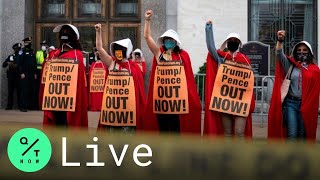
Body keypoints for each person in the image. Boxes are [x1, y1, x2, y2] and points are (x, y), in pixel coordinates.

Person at [143, 10, 201, 135]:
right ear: (163, 41)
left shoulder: (183, 56)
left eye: (171, 39)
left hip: (176, 103)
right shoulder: (159, 54)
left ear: (176, 42)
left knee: (175, 131)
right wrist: (147, 20)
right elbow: (147, 37)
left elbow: (188, 80)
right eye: (166, 39)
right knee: (163, 132)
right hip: (161, 101)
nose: (169, 41)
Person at [204, 20, 255, 138]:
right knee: (227, 133)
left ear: (239, 44)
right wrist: (208, 29)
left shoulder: (246, 60)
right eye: (230, 41)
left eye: (235, 41)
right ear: (227, 43)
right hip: (225, 99)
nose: (233, 42)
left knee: (239, 132)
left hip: (241, 101)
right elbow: (211, 47)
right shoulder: (222, 58)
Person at [268, 30, 320, 142]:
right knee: (292, 133)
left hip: (306, 105)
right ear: (295, 52)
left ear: (310, 52)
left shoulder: (315, 69)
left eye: (305, 50)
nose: (302, 52)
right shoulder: (290, 65)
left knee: (302, 134)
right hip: (291, 103)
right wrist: (280, 40)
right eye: (299, 50)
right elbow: (279, 53)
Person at [95, 23, 145, 133]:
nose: (119, 52)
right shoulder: (111, 63)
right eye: (116, 49)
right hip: (112, 110)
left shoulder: (134, 68)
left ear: (127, 51)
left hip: (128, 111)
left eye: (121, 49)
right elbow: (99, 48)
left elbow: (138, 90)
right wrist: (98, 32)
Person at [42, 24, 88, 128]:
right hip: (55, 97)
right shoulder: (54, 54)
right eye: (63, 31)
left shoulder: (77, 55)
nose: (64, 33)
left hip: (70, 101)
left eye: (68, 32)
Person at [17, 37, 37, 112]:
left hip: (31, 74)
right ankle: (23, 106)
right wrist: (21, 73)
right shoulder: (21, 51)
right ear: (25, 43)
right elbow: (19, 63)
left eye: (29, 42)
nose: (28, 43)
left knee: (30, 90)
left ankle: (29, 105)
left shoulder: (32, 51)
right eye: (27, 42)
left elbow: (34, 63)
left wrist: (35, 72)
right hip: (24, 73)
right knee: (24, 90)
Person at [2, 43, 22, 110]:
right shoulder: (11, 56)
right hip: (11, 76)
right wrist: (8, 63)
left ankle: (20, 106)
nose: (17, 50)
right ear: (14, 49)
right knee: (10, 92)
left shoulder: (20, 56)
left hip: (18, 76)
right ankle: (9, 106)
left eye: (18, 49)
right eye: (16, 48)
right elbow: (3, 65)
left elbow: (21, 65)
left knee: (19, 92)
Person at [35, 40, 48, 110]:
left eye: (44, 45)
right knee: (38, 88)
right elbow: (35, 62)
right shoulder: (38, 52)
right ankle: (38, 105)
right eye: (42, 45)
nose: (43, 46)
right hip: (38, 71)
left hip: (46, 73)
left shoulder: (49, 53)